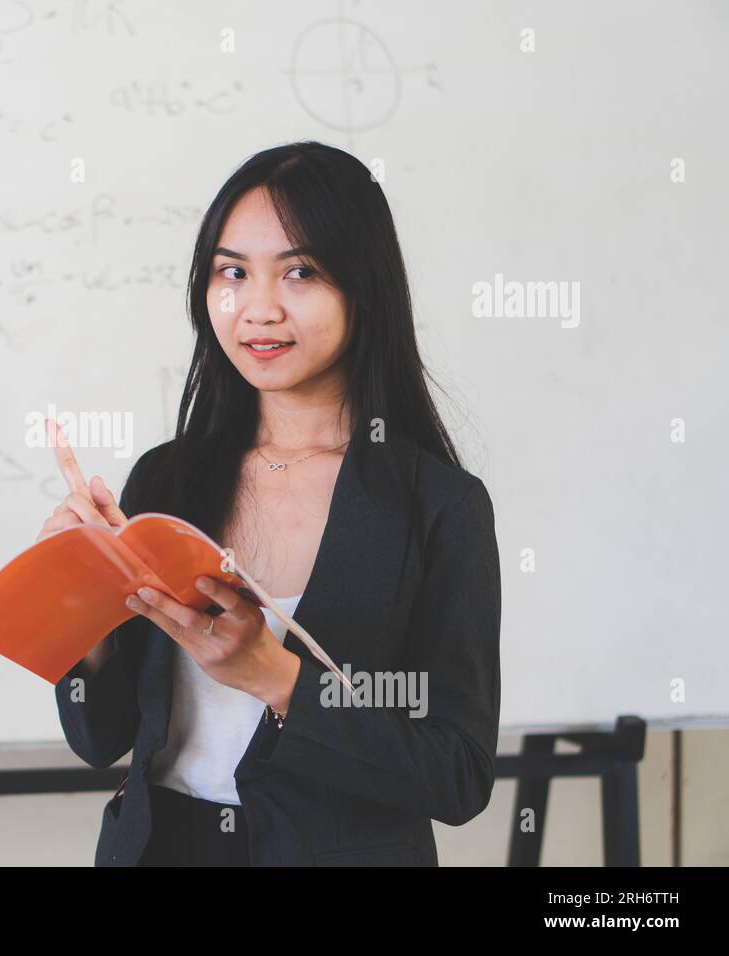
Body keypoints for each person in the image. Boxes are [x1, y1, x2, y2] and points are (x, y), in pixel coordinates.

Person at [41, 141, 501, 866]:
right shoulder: (166, 482)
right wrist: (87, 614)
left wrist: (276, 678)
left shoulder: (439, 506)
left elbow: (459, 775)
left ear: (364, 287)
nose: (257, 309)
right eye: (232, 272)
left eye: (300, 272)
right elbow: (99, 739)